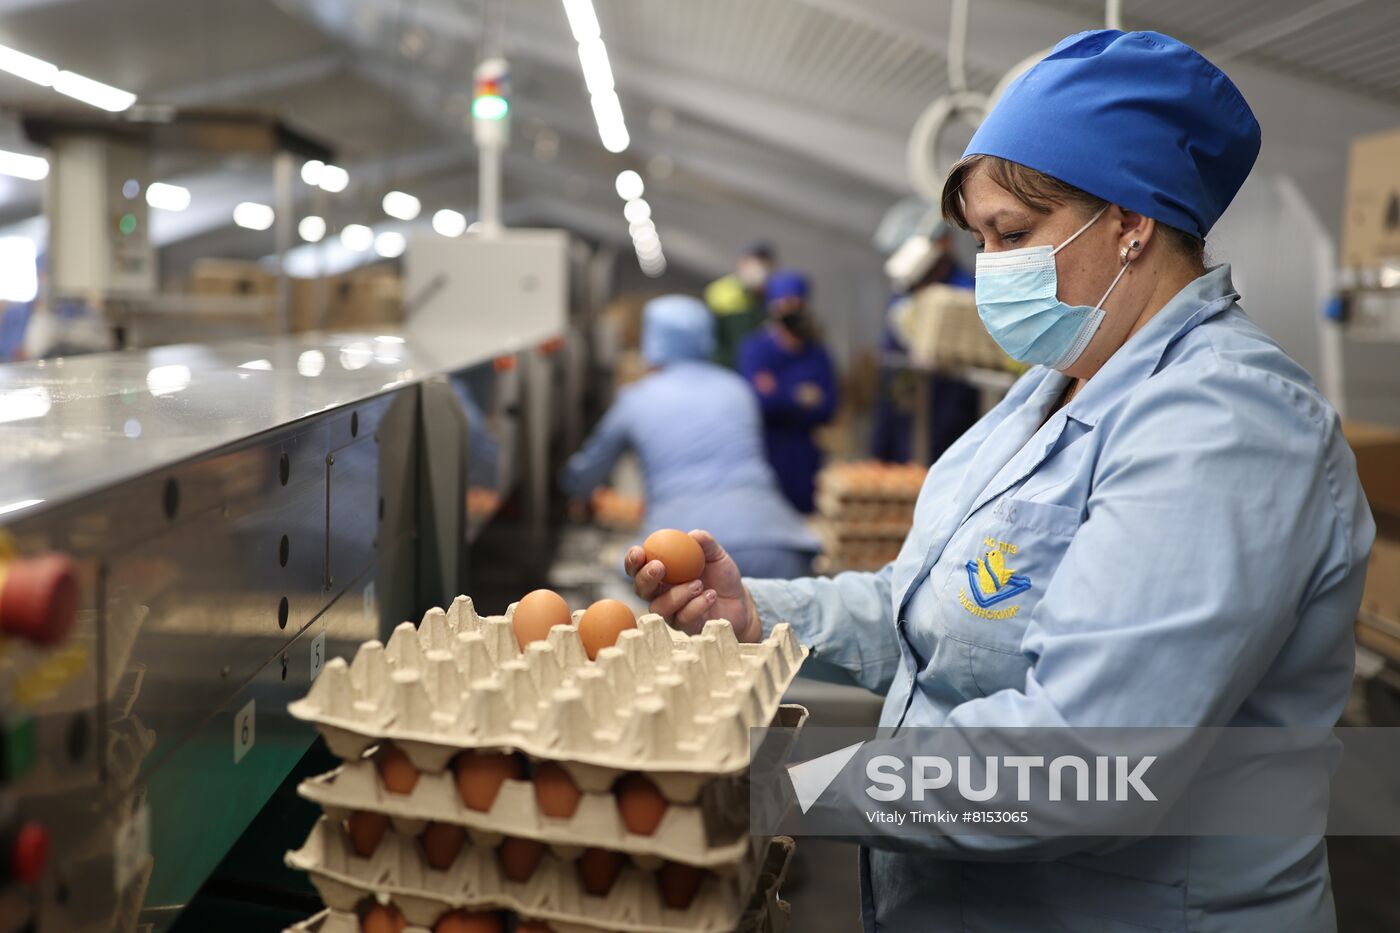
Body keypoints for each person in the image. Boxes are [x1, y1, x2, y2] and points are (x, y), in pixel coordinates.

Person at [625, 30, 1373, 932]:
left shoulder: (1226, 425)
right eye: (981, 239)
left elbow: (1085, 764)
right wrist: (761, 614)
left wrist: (784, 789)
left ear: (1132, 224)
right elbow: (930, 613)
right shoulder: (1052, 388)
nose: (992, 267)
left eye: (1013, 234)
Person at [561, 294, 818, 580]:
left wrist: (567, 483)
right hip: (776, 541)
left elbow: (584, 477)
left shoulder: (636, 398)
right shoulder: (737, 389)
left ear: (653, 342)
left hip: (685, 548)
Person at [872, 217, 982, 464]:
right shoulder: (903, 293)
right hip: (903, 408)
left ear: (943, 244)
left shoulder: (965, 292)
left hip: (950, 413)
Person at [738, 269, 838, 514]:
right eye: (784, 304)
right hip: (765, 452)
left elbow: (828, 407)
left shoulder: (817, 354)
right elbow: (756, 402)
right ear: (772, 307)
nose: (790, 310)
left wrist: (778, 393)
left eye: (796, 304)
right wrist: (797, 396)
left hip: (804, 457)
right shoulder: (756, 350)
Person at [703, 240, 775, 369]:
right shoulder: (722, 290)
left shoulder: (774, 291)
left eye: (763, 262)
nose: (759, 267)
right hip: (727, 362)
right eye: (753, 261)